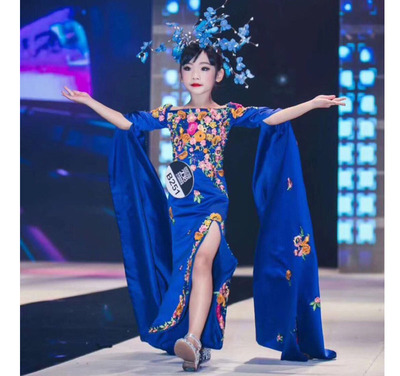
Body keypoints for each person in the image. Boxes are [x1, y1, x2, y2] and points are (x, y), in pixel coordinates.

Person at [62, 39, 346, 371]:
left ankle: (194, 340)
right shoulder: (171, 115)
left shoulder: (226, 114)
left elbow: (271, 118)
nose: (195, 75)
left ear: (219, 75)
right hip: (180, 207)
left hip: (213, 203)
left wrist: (311, 104)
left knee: (202, 262)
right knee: (186, 271)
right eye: (188, 68)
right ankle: (199, 341)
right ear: (181, 74)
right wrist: (89, 100)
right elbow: (129, 123)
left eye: (204, 68)